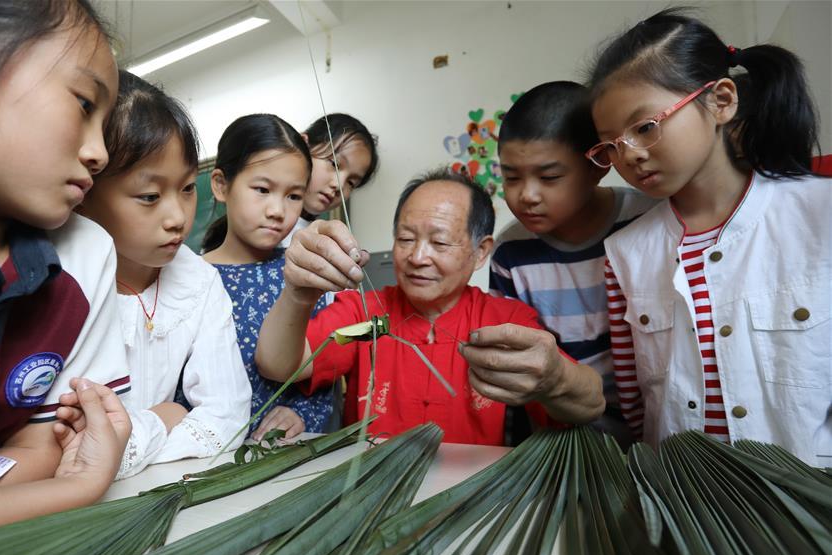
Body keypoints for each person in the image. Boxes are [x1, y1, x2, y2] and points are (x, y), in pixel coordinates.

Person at [587, 8, 831, 465]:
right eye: (611, 145)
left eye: (644, 128)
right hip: (683, 507)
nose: (630, 156)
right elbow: (638, 402)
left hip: (808, 508)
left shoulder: (821, 215)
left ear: (721, 100)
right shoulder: (624, 254)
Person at [0, 0, 132, 541]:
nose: (100, 155)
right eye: (83, 102)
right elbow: (57, 474)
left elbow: (42, 446)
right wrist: (72, 490)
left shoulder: (84, 254)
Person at [255, 168, 605, 444]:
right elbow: (280, 365)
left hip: (473, 500)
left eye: (439, 242)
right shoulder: (369, 320)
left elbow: (589, 404)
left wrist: (558, 378)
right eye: (405, 239)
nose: (417, 257)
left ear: (480, 251)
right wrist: (298, 294)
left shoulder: (504, 321)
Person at [73, 71, 251, 478]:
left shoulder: (199, 281)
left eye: (188, 188)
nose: (178, 218)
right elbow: (77, 449)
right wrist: (166, 417)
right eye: (150, 197)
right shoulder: (66, 277)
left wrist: (137, 437)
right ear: (84, 192)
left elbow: (229, 417)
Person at [490, 81, 657, 448]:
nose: (526, 195)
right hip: (567, 444)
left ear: (599, 164)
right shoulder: (510, 252)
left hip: (659, 438)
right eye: (511, 176)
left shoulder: (647, 222)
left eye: (549, 177)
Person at [201, 114, 335, 439]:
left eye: (293, 196)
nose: (277, 210)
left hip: (283, 459)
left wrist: (299, 414)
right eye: (262, 189)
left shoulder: (302, 275)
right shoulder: (189, 277)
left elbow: (321, 374)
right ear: (221, 185)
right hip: (203, 464)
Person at [279, 113, 379, 247]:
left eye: (351, 183)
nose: (338, 185)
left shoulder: (323, 242)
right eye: (334, 164)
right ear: (302, 146)